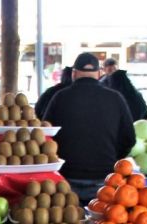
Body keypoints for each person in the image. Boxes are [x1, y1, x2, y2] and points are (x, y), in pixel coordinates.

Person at [44, 53, 136, 205]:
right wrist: (111, 158)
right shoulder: (115, 98)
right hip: (105, 180)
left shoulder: (60, 97)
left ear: (74, 74)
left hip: (65, 179)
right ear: (100, 73)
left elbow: (46, 136)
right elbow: (129, 139)